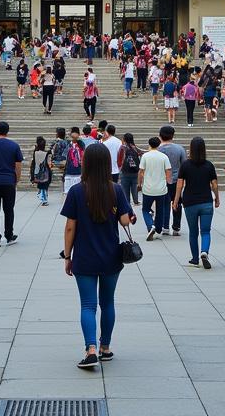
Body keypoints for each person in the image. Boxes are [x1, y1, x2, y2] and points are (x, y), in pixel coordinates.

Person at [61, 141, 133, 368]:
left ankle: (90, 349)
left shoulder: (76, 191)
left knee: (88, 305)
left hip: (85, 256)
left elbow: (70, 227)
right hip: (111, 256)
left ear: (86, 164)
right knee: (108, 303)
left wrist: (67, 256)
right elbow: (124, 220)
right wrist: (128, 216)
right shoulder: (116, 189)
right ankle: (106, 347)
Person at [172, 136, 219, 269]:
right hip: (206, 202)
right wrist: (217, 198)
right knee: (205, 231)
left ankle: (194, 258)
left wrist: (176, 201)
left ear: (191, 149)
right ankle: (204, 251)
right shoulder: (209, 165)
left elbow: (179, 185)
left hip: (190, 202)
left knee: (193, 232)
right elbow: (214, 184)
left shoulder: (185, 165)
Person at [139, 136, 172, 239]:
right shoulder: (163, 157)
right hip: (161, 188)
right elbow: (168, 171)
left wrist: (139, 184)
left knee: (145, 209)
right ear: (158, 145)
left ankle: (150, 225)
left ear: (149, 144)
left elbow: (141, 171)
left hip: (148, 188)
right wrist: (168, 181)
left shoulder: (145, 156)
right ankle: (158, 229)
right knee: (160, 210)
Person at [158, 126, 186, 237]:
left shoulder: (157, 149)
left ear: (160, 135)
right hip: (176, 180)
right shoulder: (180, 149)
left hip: (162, 180)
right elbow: (184, 164)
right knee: (177, 203)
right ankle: (176, 227)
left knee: (163, 204)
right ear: (173, 135)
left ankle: (165, 226)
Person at [117, 132, 142, 206]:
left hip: (125, 172)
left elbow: (119, 158)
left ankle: (127, 203)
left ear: (124, 139)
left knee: (125, 189)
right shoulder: (135, 147)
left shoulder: (122, 147)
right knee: (134, 187)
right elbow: (141, 152)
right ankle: (136, 201)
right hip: (135, 172)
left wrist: (120, 167)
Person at [31, 135, 53, 205]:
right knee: (45, 186)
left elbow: (33, 163)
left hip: (38, 172)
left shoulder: (35, 153)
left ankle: (43, 198)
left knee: (41, 186)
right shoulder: (47, 153)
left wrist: (32, 175)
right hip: (46, 172)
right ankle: (44, 199)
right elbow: (49, 163)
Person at [64, 129, 84, 194]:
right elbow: (64, 156)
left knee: (78, 191)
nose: (74, 137)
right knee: (68, 192)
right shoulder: (67, 144)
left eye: (76, 135)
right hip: (69, 170)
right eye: (73, 136)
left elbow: (83, 155)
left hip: (78, 171)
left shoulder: (81, 144)